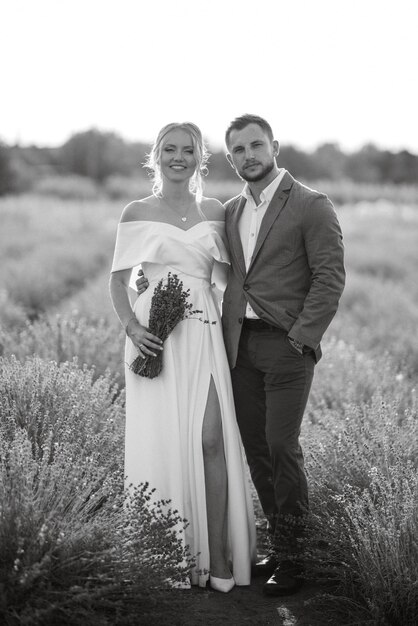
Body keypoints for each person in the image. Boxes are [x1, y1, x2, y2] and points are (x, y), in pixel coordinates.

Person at [109, 122, 256, 593]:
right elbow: (119, 281)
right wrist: (134, 327)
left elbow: (228, 279)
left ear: (199, 158)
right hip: (154, 334)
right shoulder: (136, 211)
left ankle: (218, 559)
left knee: (212, 439)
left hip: (205, 332)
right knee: (166, 441)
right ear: (156, 156)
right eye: (169, 149)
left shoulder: (216, 211)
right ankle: (172, 555)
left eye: (187, 150)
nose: (178, 157)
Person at [221, 114, 346, 596]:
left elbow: (329, 277)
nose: (248, 155)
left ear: (274, 146)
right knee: (256, 449)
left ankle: (299, 560)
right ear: (230, 157)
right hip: (241, 347)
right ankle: (284, 545)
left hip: (287, 345)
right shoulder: (231, 210)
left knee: (280, 445)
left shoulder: (312, 205)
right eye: (238, 150)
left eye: (256, 145)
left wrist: (301, 337)